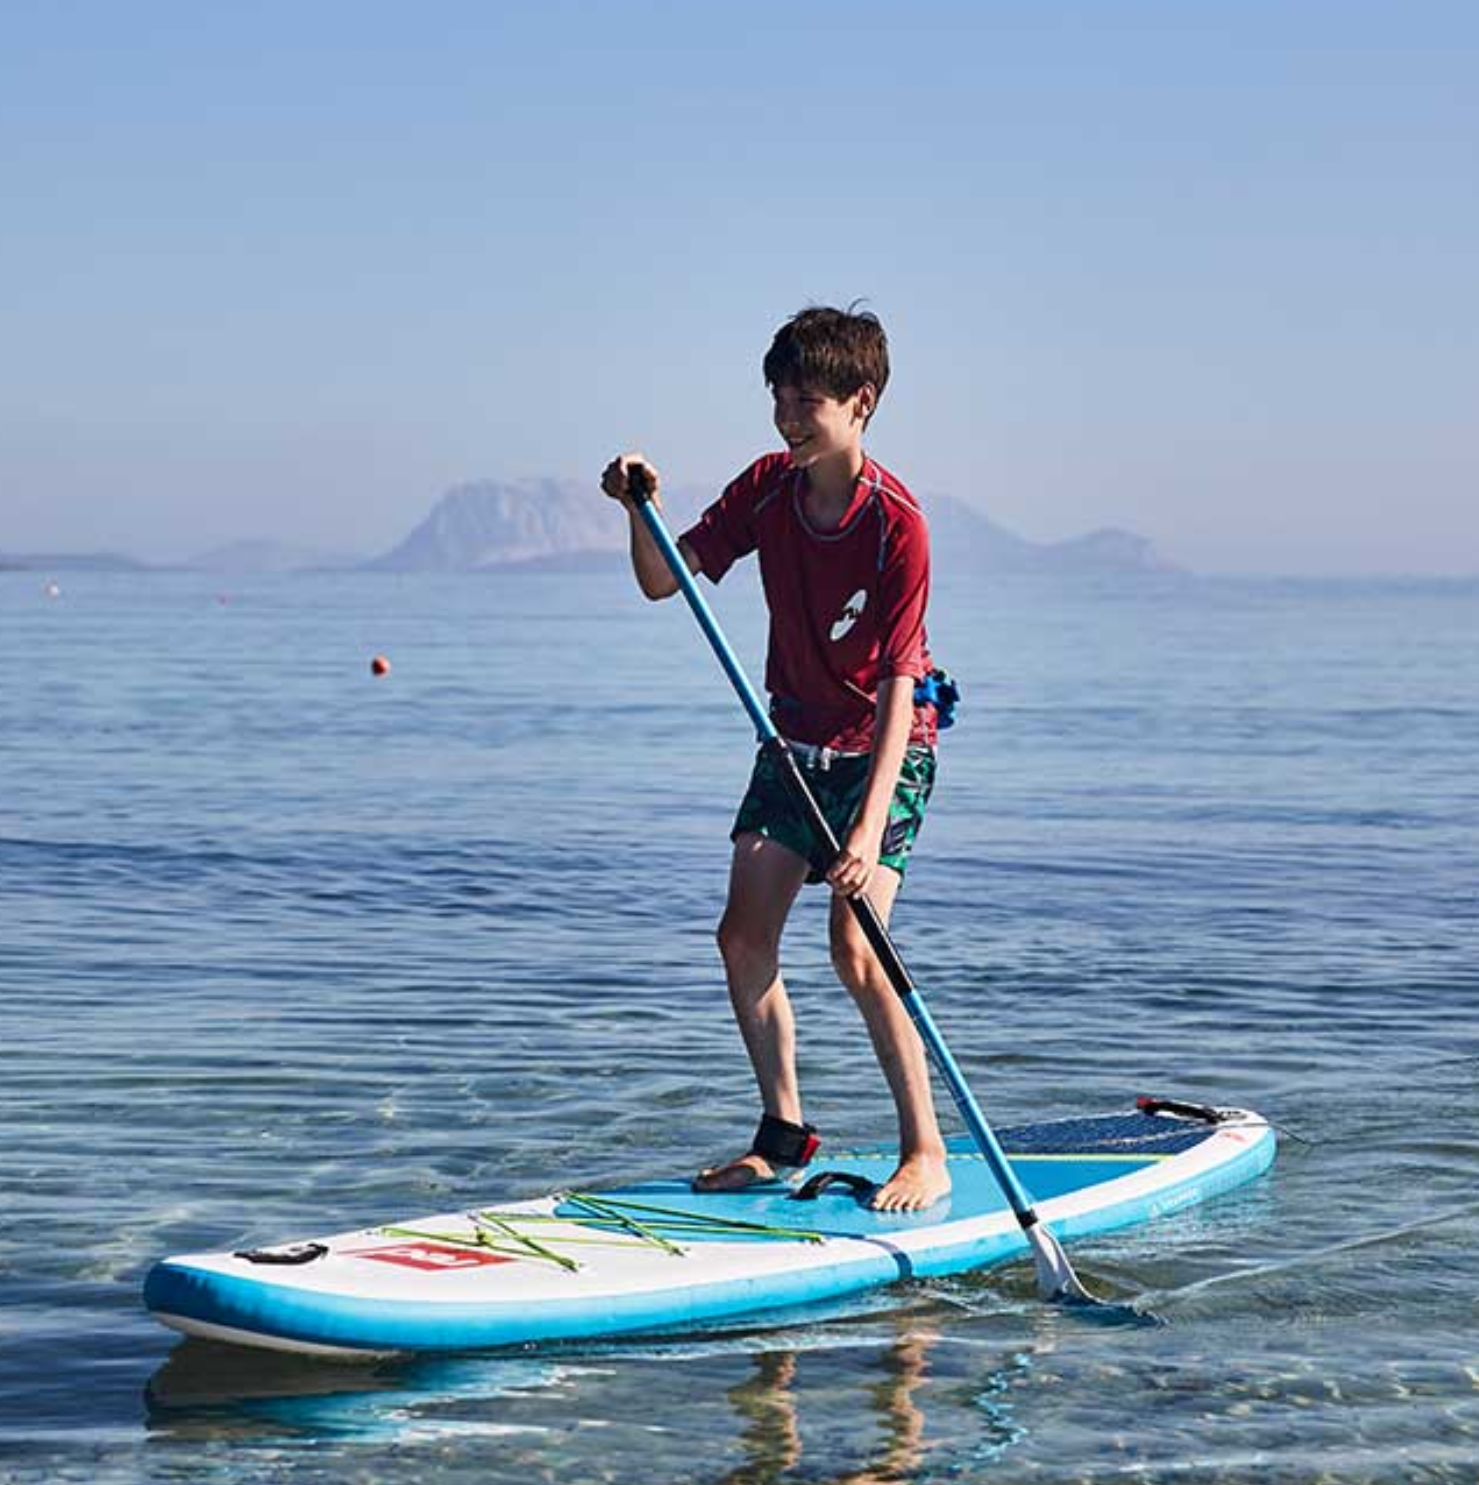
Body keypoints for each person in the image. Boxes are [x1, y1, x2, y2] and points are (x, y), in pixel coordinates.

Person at [600, 305, 950, 1212]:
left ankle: (927, 1149)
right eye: (779, 399)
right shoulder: (767, 486)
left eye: (808, 401)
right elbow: (658, 578)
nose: (788, 418)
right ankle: (783, 1133)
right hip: (788, 741)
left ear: (859, 402)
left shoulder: (897, 525)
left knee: (855, 945)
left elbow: (903, 685)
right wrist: (641, 509)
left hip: (883, 749)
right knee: (741, 934)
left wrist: (867, 834)